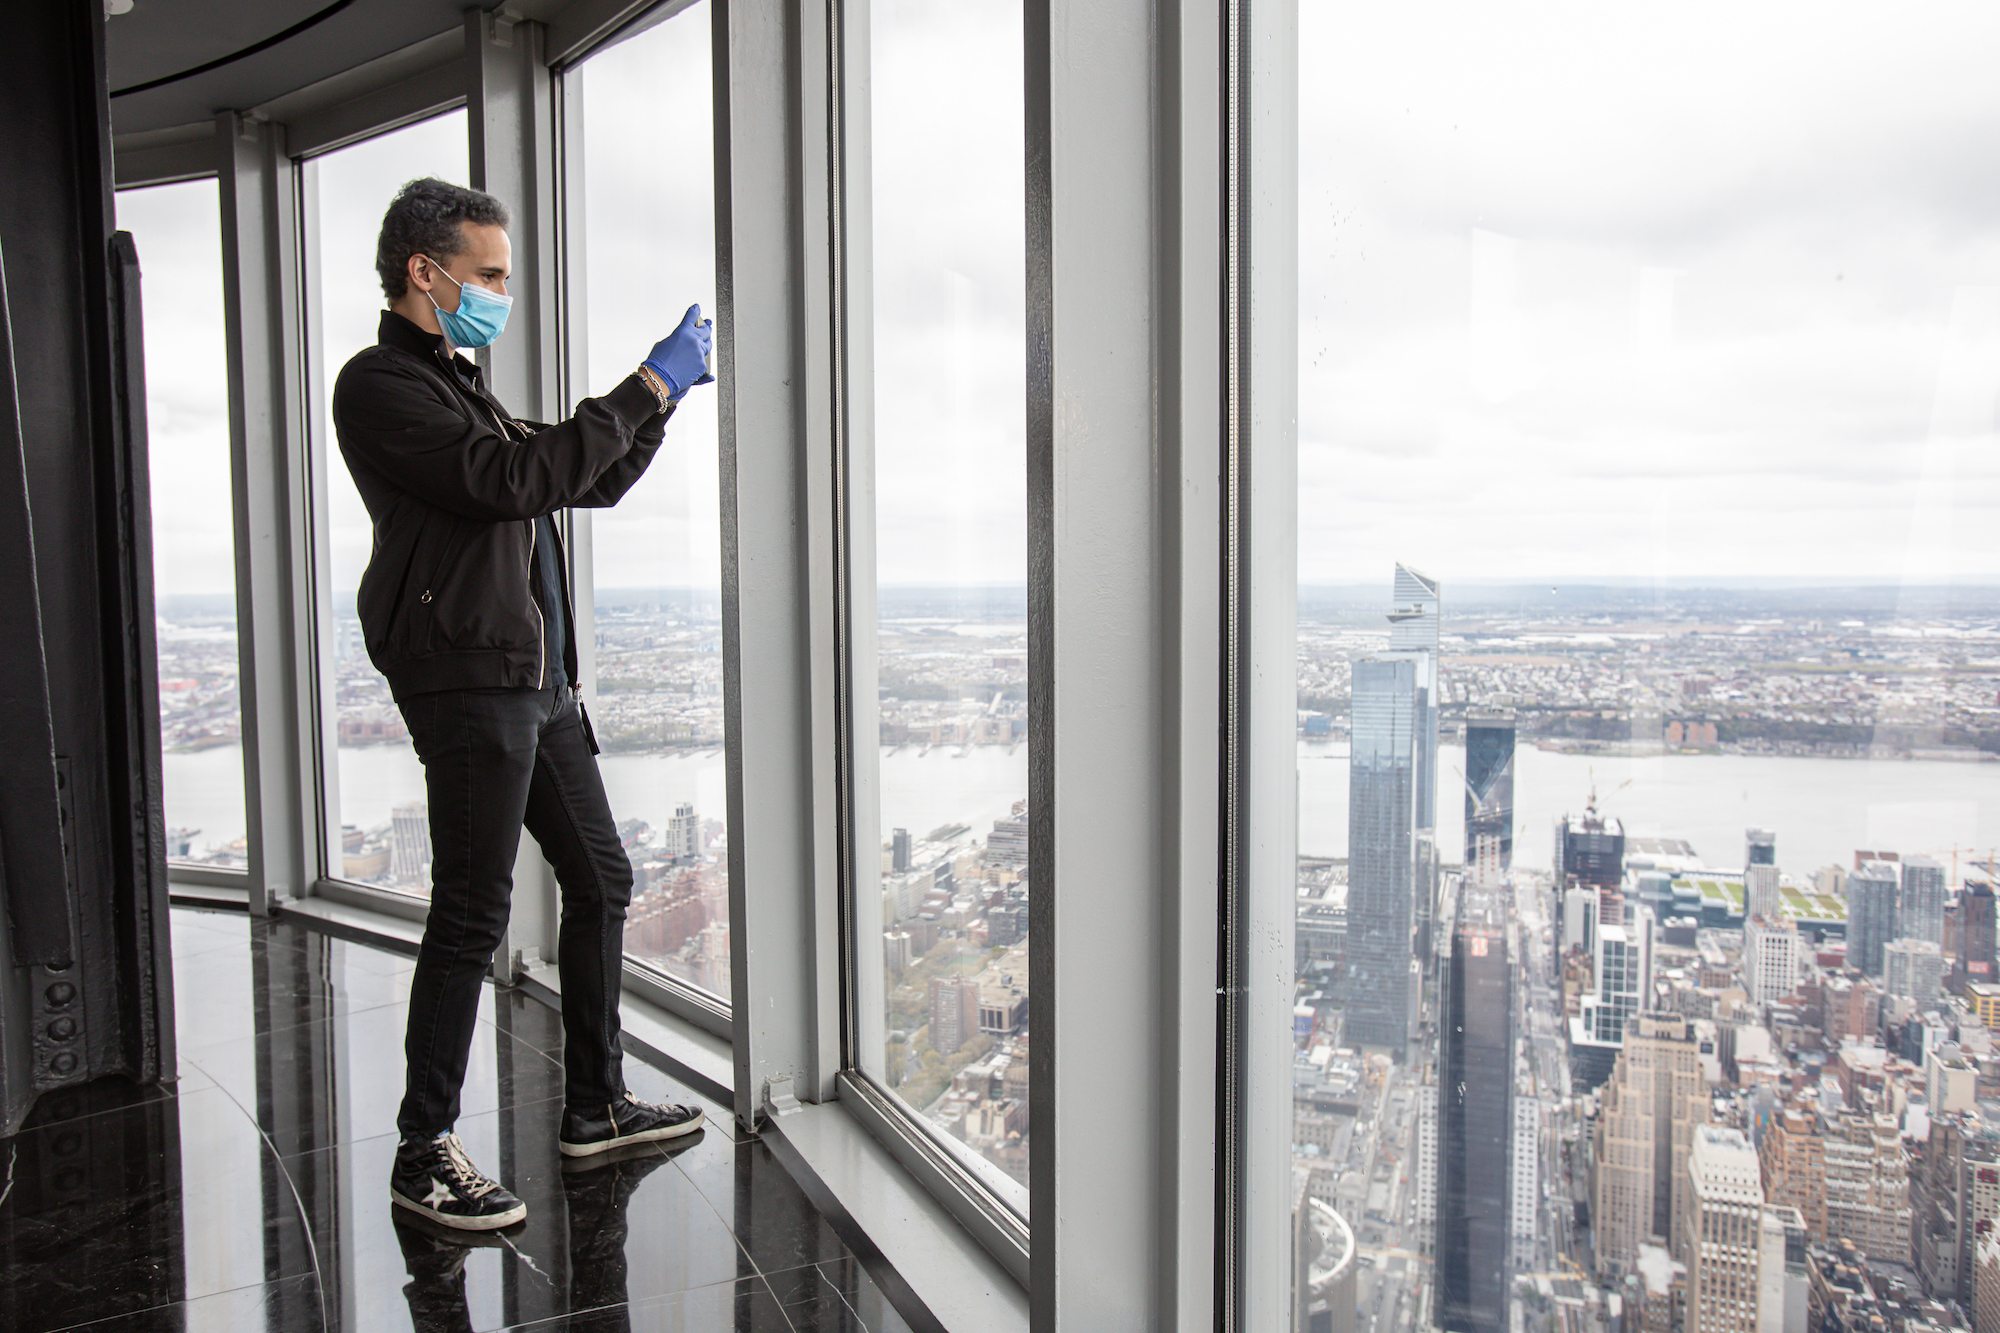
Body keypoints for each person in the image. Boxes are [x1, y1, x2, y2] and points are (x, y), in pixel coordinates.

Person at [333, 177, 714, 1230]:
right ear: (425, 271)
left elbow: (585, 478)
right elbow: (509, 482)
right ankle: (422, 1150)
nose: (501, 293)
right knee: (471, 910)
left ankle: (595, 1107)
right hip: (469, 682)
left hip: (536, 685)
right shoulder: (381, 385)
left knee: (601, 878)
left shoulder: (469, 394)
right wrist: (645, 380)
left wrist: (663, 400)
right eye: (489, 274)